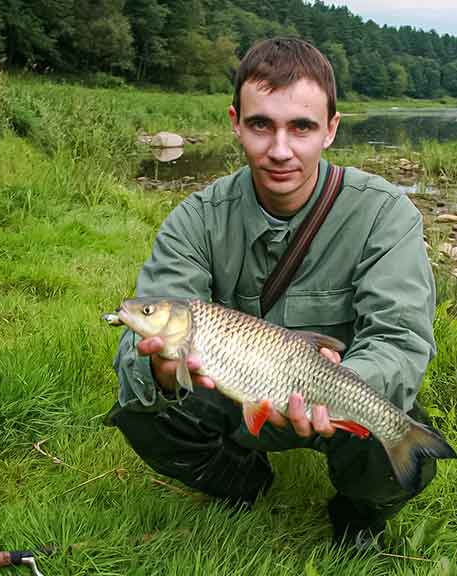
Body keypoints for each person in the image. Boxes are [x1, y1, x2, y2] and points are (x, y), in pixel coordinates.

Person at [105, 37, 439, 550]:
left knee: (390, 431)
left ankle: (357, 510)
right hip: (240, 390)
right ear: (236, 122)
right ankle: (243, 481)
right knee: (143, 412)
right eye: (262, 125)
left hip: (330, 388)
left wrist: (343, 392)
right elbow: (144, 334)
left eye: (301, 126)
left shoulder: (385, 213)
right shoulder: (197, 219)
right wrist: (158, 370)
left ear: (330, 129)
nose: (280, 149)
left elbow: (399, 338)